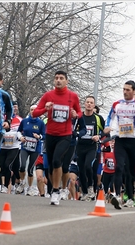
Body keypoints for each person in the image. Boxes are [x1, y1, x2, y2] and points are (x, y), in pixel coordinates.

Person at [32, 70, 82, 205]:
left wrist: (75, 115)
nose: (58, 80)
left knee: (56, 161)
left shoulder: (73, 96)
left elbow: (79, 111)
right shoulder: (48, 95)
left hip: (65, 135)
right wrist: (45, 109)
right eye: (56, 78)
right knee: (50, 167)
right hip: (51, 134)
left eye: (61, 78)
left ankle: (56, 190)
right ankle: (54, 187)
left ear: (67, 81)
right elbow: (35, 113)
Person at [103, 81, 135, 208]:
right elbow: (110, 116)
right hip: (120, 140)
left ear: (134, 91)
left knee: (133, 172)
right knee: (119, 168)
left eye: (128, 90)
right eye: (124, 89)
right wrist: (107, 126)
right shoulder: (117, 104)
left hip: (134, 141)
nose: (125, 92)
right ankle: (118, 196)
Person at [76, 96, 105, 201]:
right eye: (87, 102)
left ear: (94, 105)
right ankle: (84, 192)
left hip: (92, 146)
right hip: (80, 146)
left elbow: (106, 132)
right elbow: (73, 129)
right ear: (84, 104)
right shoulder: (79, 117)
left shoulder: (98, 118)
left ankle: (90, 187)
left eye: (91, 102)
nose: (89, 104)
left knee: (88, 166)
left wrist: (99, 136)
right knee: (81, 170)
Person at [17, 104, 46, 196]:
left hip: (35, 149)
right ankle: (22, 183)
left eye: (35, 110)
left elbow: (44, 135)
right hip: (24, 147)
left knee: (30, 169)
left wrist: (39, 136)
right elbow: (18, 131)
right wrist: (20, 137)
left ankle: (30, 188)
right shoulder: (25, 121)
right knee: (22, 166)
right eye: (31, 109)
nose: (33, 111)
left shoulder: (41, 123)